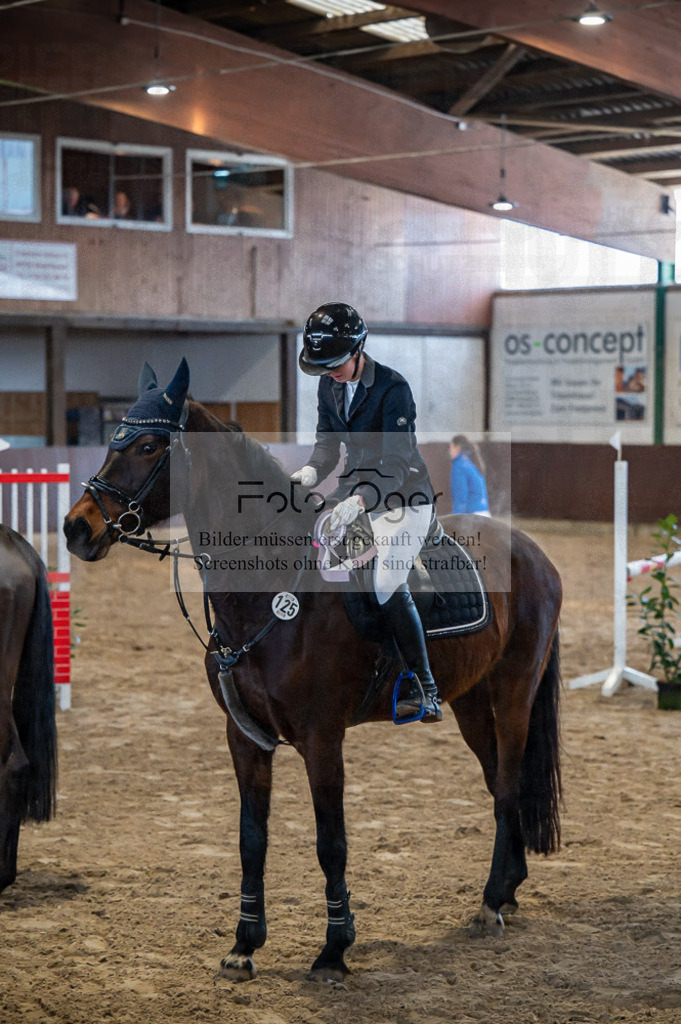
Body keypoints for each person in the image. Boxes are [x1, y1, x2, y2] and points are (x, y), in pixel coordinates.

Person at [293, 302, 441, 722]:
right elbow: (327, 443)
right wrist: (308, 472)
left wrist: (359, 502)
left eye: (336, 363)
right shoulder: (329, 385)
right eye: (322, 366)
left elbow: (395, 464)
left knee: (384, 578)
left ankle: (424, 686)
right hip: (353, 491)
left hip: (403, 496)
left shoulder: (394, 388)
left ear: (359, 349)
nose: (329, 371)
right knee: (311, 553)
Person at [449, 434, 490, 516]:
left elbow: (460, 496)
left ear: (457, 448)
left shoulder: (459, 466)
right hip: (484, 512)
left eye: (451, 447)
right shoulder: (470, 464)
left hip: (473, 516)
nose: (449, 451)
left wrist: (456, 518)